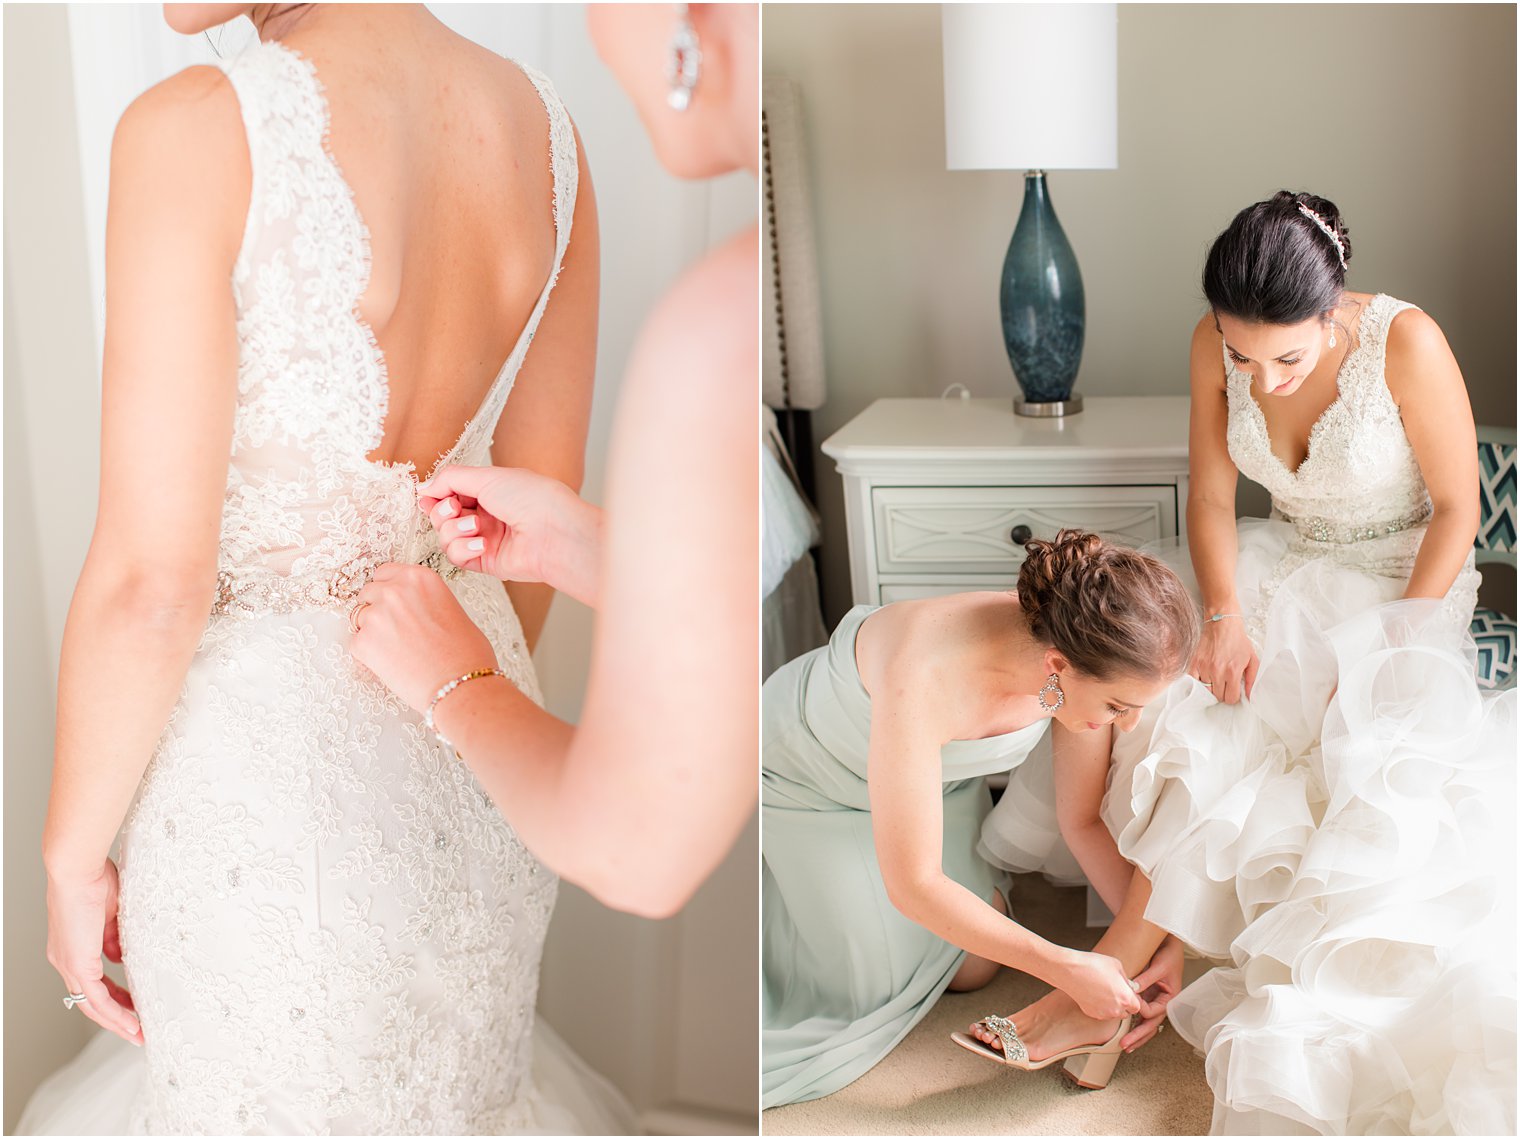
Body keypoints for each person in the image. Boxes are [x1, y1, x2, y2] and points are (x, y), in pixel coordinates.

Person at [29, 3, 637, 1132]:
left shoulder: (195, 130)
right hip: (475, 750)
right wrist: (459, 723)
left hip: (262, 805)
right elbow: (532, 527)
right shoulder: (548, 135)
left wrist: (70, 858)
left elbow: (149, 586)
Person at [977, 191, 1516, 1134]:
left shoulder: (1408, 342)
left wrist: (1393, 643)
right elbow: (1216, 501)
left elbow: (1457, 513)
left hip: (1399, 584)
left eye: (1288, 358)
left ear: (1332, 309)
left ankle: (1090, 1004)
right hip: (1279, 565)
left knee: (1261, 739)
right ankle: (1106, 1004)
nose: (1260, 382)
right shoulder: (1210, 345)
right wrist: (1223, 613)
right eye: (1241, 356)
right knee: (1186, 707)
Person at [348, 3, 759, 920]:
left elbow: (637, 854)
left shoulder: (717, 334)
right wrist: (583, 547)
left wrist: (462, 680)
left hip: (445, 709)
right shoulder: (550, 140)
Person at [760, 530, 1202, 1108]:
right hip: (808, 787)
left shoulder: (1076, 664)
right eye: (1119, 706)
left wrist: (1154, 942)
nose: (1128, 725)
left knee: (972, 967)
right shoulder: (923, 675)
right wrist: (1068, 966)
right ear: (1056, 665)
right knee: (870, 990)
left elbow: (1081, 822)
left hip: (936, 787)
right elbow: (913, 885)